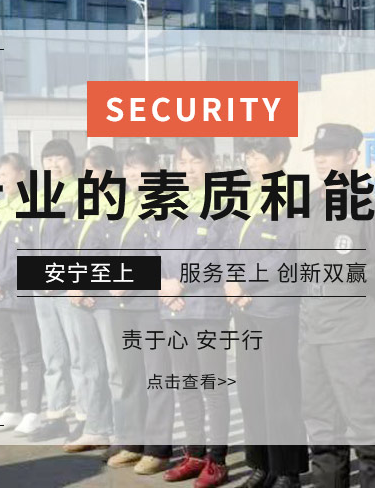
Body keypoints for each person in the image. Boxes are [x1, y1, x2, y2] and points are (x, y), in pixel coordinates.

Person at [296, 123, 375, 488]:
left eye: (330, 153)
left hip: (352, 332)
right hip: (311, 330)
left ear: (352, 156)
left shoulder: (371, 205)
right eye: (318, 153)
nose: (321, 160)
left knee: (369, 426)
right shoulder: (308, 202)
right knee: (322, 427)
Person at [226, 137, 309, 488]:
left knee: (281, 392)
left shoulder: (294, 196)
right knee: (251, 390)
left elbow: (285, 253)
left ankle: (287, 470)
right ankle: (261, 464)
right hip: (245, 308)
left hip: (276, 309)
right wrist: (231, 281)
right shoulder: (247, 195)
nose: (251, 160)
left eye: (258, 154)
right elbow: (228, 243)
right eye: (248, 154)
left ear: (280, 156)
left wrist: (244, 283)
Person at [100, 143, 180, 475]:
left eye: (139, 167)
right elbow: (104, 246)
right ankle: (133, 442)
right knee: (130, 374)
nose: (133, 173)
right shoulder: (121, 204)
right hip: (121, 302)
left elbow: (164, 254)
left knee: (156, 375)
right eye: (129, 167)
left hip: (149, 302)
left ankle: (158, 449)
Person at [157, 138, 232, 488]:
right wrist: (162, 286)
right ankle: (195, 454)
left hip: (206, 309)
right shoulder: (171, 204)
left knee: (211, 385)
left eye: (195, 160)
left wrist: (180, 285)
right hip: (173, 309)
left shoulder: (222, 205)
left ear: (211, 163)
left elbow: (217, 258)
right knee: (185, 383)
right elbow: (155, 249)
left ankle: (218, 459)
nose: (188, 168)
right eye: (182, 162)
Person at [0, 153, 46, 434]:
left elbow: (26, 251)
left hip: (19, 292)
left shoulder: (33, 206)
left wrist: (1, 280)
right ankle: (12, 409)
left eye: (5, 174)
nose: (1, 180)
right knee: (7, 354)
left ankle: (33, 411)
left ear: (21, 174)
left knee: (31, 354)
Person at [27, 139, 85, 440]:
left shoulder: (82, 193)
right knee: (53, 355)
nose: (53, 165)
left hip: (67, 284)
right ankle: (57, 414)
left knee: (78, 354)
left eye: (59, 158)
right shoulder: (39, 196)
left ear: (72, 162)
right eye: (48, 159)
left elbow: (78, 242)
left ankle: (86, 416)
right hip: (42, 286)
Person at [62, 146, 117, 452]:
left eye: (94, 170)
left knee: (116, 369)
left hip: (107, 299)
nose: (89, 176)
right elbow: (70, 247)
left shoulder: (120, 205)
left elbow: (116, 252)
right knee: (91, 366)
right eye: (86, 171)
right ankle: (97, 427)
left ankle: (122, 430)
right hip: (82, 296)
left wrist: (89, 286)